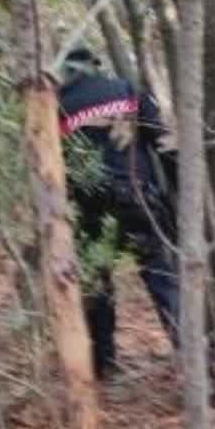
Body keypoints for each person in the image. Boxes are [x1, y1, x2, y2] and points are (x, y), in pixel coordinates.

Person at [56, 47, 183, 381]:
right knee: (162, 279)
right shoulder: (126, 90)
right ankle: (199, 367)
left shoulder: (56, 106)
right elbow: (165, 144)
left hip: (89, 206)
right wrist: (180, 191)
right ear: (96, 68)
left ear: (67, 73)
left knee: (97, 283)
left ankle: (102, 364)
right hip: (137, 196)